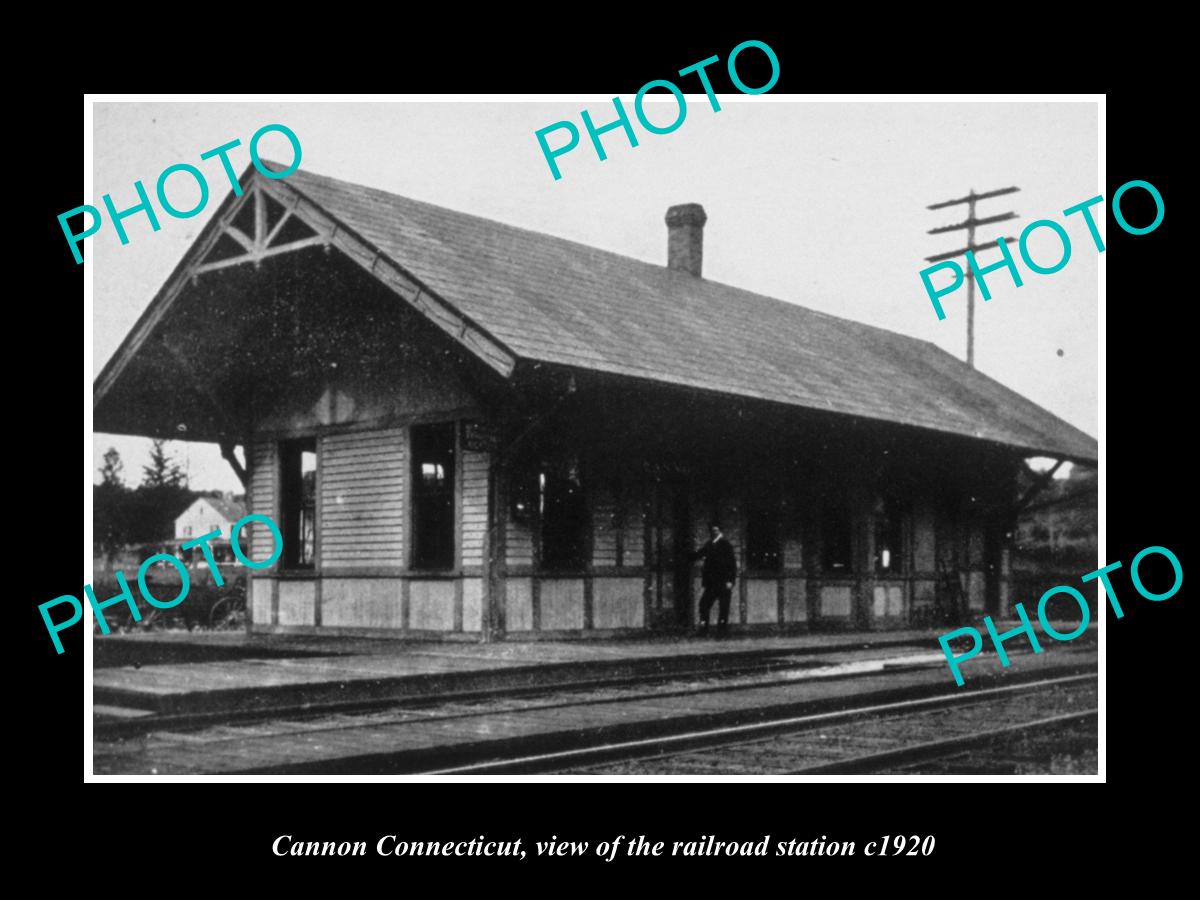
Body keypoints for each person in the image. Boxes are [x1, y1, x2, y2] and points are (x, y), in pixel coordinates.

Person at [691, 522, 738, 637]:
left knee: (723, 608)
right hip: (712, 583)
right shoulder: (709, 544)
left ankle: (722, 631)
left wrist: (730, 581)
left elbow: (732, 565)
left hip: (723, 582)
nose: (714, 533)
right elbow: (698, 554)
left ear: (720, 531)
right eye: (712, 531)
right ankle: (704, 630)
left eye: (716, 530)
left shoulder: (726, 545)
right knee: (704, 605)